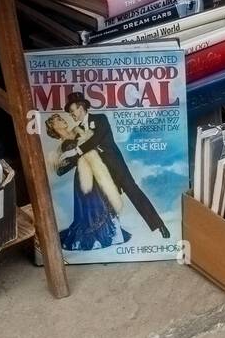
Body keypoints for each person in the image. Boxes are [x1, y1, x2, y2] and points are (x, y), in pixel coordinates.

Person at [65, 93, 171, 239]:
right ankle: (108, 235)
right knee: (101, 200)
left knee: (133, 191)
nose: (71, 115)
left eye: (72, 111)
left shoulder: (100, 119)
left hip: (116, 165)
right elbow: (80, 155)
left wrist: (76, 150)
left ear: (81, 107)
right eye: (70, 113)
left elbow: (95, 140)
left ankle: (160, 225)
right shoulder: (77, 131)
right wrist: (64, 162)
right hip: (101, 172)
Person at [45, 114, 129, 251]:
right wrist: (72, 155)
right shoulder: (65, 145)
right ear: (54, 128)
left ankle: (110, 233)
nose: (62, 119)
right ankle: (99, 237)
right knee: (95, 207)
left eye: (61, 118)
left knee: (105, 200)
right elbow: (67, 165)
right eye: (57, 120)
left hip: (98, 172)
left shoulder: (79, 131)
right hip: (85, 178)